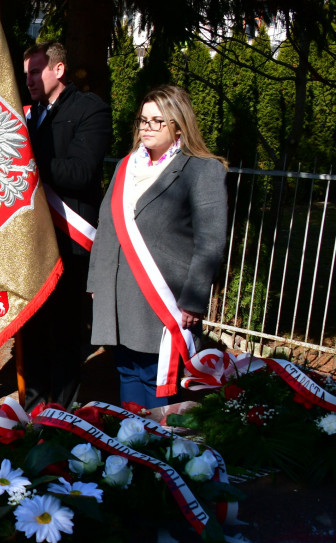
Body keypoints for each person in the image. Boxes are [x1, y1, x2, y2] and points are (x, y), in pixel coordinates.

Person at [88, 84, 228, 408]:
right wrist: (97, 283)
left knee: (157, 383)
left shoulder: (202, 169)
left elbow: (211, 241)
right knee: (126, 374)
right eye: (143, 120)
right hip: (120, 296)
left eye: (157, 121)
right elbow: (107, 226)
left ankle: (158, 456)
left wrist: (194, 300)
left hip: (165, 300)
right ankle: (130, 454)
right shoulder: (127, 166)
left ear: (178, 124)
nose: (147, 127)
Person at [19, 41, 111, 411]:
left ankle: (64, 415)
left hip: (69, 239)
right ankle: (36, 411)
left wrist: (26, 159)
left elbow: (80, 172)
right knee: (35, 328)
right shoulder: (27, 114)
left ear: (59, 70)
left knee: (66, 332)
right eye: (25, 73)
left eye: (35, 71)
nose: (29, 80)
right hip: (32, 238)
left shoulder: (90, 109)